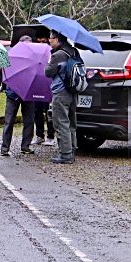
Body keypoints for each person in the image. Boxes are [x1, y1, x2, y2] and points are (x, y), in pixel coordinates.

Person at [45, 30, 81, 164]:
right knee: (71, 122)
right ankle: (72, 149)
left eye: (51, 38)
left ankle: (66, 154)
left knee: (61, 122)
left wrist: (51, 57)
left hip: (61, 92)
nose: (49, 40)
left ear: (57, 39)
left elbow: (47, 72)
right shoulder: (73, 51)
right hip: (73, 91)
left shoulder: (58, 54)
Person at [0, 36, 36, 157]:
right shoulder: (12, 56)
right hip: (13, 93)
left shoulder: (35, 58)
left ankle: (25, 146)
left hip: (29, 93)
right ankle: (5, 147)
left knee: (29, 121)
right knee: (9, 121)